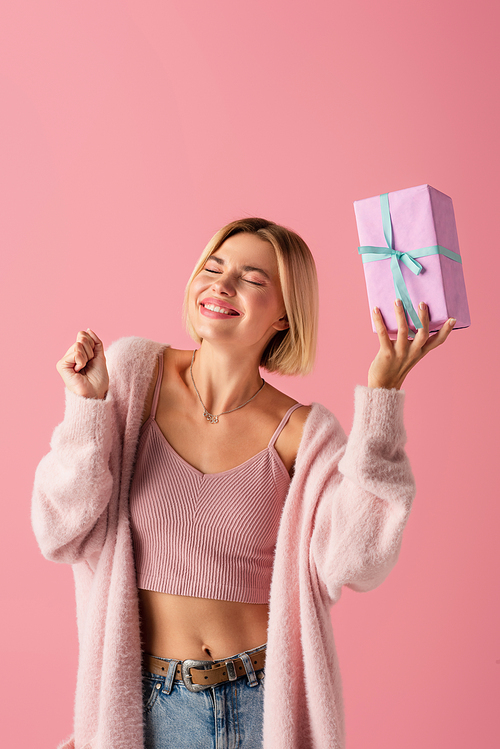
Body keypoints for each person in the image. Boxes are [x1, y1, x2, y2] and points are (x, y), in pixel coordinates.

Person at [31, 217, 456, 749]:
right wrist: (87, 409)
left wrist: (381, 398)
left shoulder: (305, 432)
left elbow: (359, 561)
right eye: (213, 267)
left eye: (253, 279)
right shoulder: (132, 374)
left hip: (258, 708)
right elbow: (59, 530)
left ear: (284, 314)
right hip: (146, 705)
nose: (222, 285)